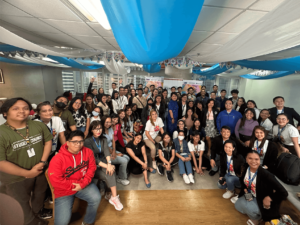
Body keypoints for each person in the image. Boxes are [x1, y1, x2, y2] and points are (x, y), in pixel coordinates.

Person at [0, 98, 53, 225]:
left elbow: (48, 141)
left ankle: (36, 215)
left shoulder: (38, 125)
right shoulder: (1, 133)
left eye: (25, 108)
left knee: (39, 196)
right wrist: (27, 173)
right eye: (16, 108)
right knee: (20, 203)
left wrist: (42, 162)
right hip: (15, 178)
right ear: (5, 112)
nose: (22, 111)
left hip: (40, 170)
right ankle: (30, 222)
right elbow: (1, 162)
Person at [48, 130, 101, 225]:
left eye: (81, 141)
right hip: (64, 191)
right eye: (74, 142)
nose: (78, 144)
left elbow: (92, 168)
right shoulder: (57, 159)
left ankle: (88, 222)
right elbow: (56, 181)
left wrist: (83, 183)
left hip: (83, 184)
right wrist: (75, 186)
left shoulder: (88, 152)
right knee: (61, 223)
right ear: (67, 143)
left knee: (96, 198)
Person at [235, 151, 288, 224]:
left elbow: (284, 193)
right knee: (237, 205)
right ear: (246, 159)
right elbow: (242, 180)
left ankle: (258, 219)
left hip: (262, 199)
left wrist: (269, 198)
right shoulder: (246, 168)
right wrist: (245, 188)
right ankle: (255, 210)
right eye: (250, 158)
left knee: (249, 208)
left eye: (256, 159)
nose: (253, 161)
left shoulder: (266, 174)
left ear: (260, 160)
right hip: (251, 195)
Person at [84, 121, 124, 210]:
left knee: (111, 172)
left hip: (103, 161)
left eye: (100, 128)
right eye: (96, 129)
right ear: (91, 130)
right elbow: (93, 158)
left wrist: (109, 164)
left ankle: (114, 197)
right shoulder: (87, 141)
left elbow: (107, 152)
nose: (99, 131)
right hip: (92, 165)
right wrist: (107, 166)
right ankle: (111, 196)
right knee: (109, 172)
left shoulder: (103, 139)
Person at [102, 116, 130, 185]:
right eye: (106, 122)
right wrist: (116, 154)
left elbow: (113, 140)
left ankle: (120, 174)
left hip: (112, 149)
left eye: (109, 122)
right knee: (124, 160)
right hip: (105, 153)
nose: (108, 124)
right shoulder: (101, 132)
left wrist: (114, 151)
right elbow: (105, 146)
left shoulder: (110, 129)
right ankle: (121, 178)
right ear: (103, 122)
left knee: (127, 157)